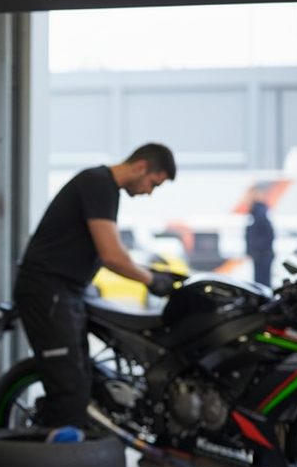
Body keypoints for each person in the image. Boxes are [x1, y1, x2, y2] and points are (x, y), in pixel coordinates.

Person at [14, 143, 177, 428]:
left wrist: (154, 272)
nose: (149, 192)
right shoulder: (98, 183)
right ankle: (50, 449)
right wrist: (152, 281)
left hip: (66, 293)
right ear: (140, 167)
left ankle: (70, 445)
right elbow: (112, 255)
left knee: (80, 381)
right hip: (47, 291)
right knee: (69, 389)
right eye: (153, 183)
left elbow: (113, 249)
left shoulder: (105, 188)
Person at [245, 188, 275, 287]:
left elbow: (269, 234)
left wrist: (258, 251)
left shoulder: (260, 212)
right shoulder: (254, 212)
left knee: (262, 283)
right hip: (260, 255)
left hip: (262, 255)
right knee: (259, 282)